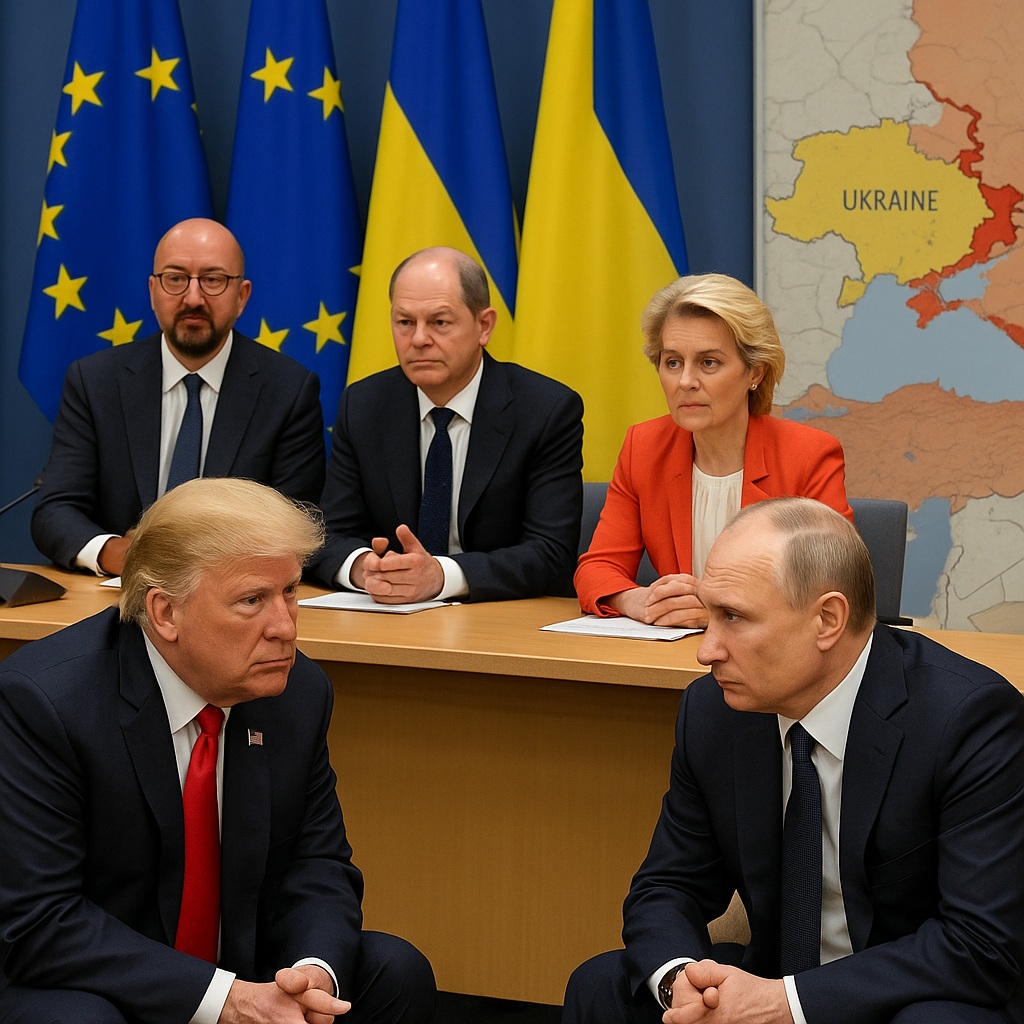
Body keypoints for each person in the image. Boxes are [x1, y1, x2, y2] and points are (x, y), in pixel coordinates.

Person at [564, 497, 1024, 1024]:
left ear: (827, 619)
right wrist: (679, 980)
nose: (706, 650)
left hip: (905, 994)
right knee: (602, 985)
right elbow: (668, 886)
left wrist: (783, 1003)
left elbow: (979, 943)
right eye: (709, 614)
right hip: (769, 976)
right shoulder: (714, 711)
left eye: (733, 617)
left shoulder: (966, 719)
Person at [0, 478, 435, 1024]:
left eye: (290, 591)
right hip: (107, 980)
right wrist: (226, 999)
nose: (284, 627)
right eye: (252, 600)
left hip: (244, 966)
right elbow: (39, 920)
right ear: (165, 613)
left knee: (395, 969)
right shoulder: (47, 703)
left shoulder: (297, 692)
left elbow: (317, 864)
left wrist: (311, 974)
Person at [31, 217, 325, 577]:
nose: (193, 298)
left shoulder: (288, 390)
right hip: (116, 594)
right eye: (175, 279)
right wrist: (117, 554)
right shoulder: (95, 382)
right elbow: (56, 509)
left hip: (230, 592)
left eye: (213, 280)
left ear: (242, 296)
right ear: (153, 290)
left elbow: (293, 526)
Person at [575, 273, 852, 628]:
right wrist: (639, 601)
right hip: (674, 649)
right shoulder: (643, 447)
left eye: (708, 363)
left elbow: (833, 586)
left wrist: (722, 612)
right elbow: (597, 569)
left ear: (755, 372)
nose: (686, 381)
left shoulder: (808, 455)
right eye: (673, 362)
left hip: (771, 657)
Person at [309, 246, 584, 603]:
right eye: (405, 322)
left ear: (484, 326)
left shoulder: (545, 410)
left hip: (496, 616)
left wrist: (441, 576)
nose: (419, 339)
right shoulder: (364, 405)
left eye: (439, 322)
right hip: (389, 614)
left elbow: (551, 554)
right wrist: (364, 568)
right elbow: (328, 534)